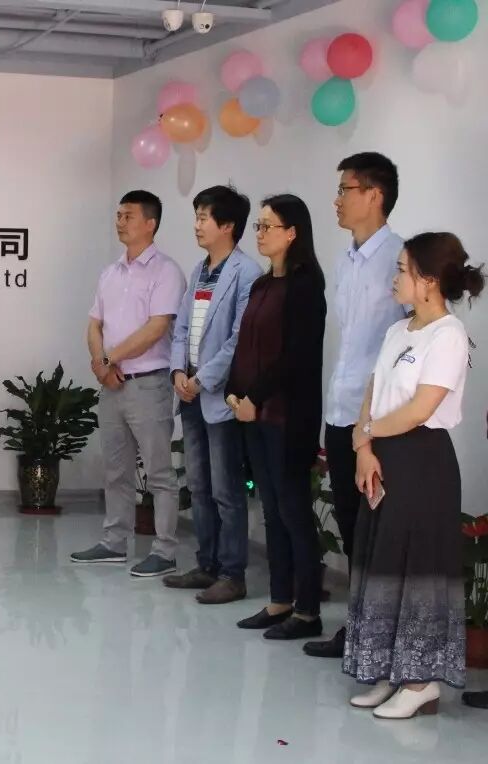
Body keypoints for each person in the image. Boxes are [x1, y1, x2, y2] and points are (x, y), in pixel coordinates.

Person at [342, 232, 481, 719]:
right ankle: (388, 671)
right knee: (383, 558)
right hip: (381, 454)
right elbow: (374, 388)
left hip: (422, 461)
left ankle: (421, 681)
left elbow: (421, 409)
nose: (394, 278)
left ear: (429, 280)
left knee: (417, 563)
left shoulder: (448, 334)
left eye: (402, 270)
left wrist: (366, 434)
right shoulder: (398, 330)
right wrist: (363, 444)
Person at [305, 152, 408, 659]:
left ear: (374, 195)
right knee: (351, 525)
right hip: (341, 411)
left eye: (345, 189)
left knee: (379, 529)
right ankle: (361, 627)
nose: (337, 200)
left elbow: (414, 339)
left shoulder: (401, 260)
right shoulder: (345, 260)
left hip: (380, 422)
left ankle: (384, 634)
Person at [224, 195, 327, 639]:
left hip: (287, 417)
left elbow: (296, 357)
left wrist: (254, 396)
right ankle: (280, 599)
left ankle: (307, 611)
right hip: (254, 414)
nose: (261, 233)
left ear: (292, 233)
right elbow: (245, 344)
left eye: (269, 226)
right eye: (259, 226)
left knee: (293, 511)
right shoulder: (263, 285)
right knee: (270, 509)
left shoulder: (306, 286)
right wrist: (234, 391)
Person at [71, 191, 186, 577]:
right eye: (118, 215)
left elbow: (157, 327)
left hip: (148, 384)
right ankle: (114, 543)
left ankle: (165, 551)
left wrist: (110, 359)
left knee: (158, 473)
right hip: (112, 384)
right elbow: (94, 325)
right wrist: (101, 365)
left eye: (128, 216)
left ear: (150, 223)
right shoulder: (110, 272)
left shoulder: (166, 272)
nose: (120, 222)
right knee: (116, 470)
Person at [164, 185, 262, 604]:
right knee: (199, 486)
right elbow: (182, 328)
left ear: (227, 225)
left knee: (226, 490)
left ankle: (232, 574)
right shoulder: (200, 270)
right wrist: (177, 372)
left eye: (204, 217)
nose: (197, 225)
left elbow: (240, 339)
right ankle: (206, 565)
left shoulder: (246, 273)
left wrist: (202, 379)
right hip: (189, 394)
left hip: (218, 396)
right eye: (197, 216)